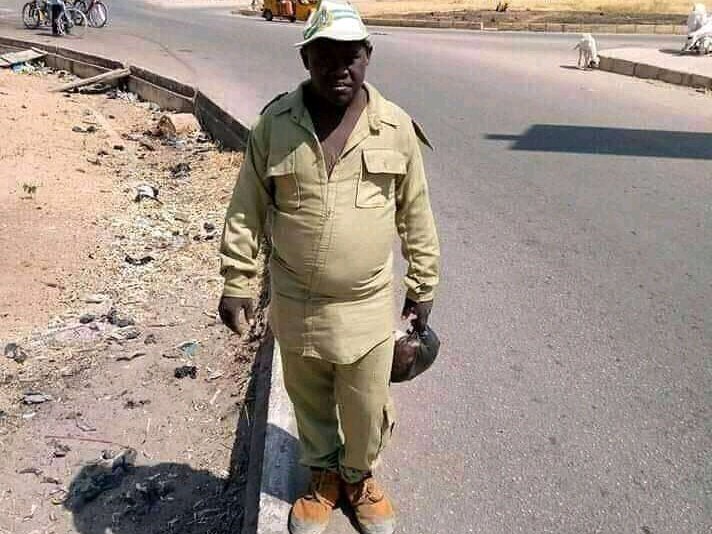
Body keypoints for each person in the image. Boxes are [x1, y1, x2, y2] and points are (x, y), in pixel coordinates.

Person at [218, 1, 440, 533]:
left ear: (368, 56)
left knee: (366, 404)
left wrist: (423, 283)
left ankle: (359, 478)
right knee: (310, 400)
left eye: (350, 56)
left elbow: (415, 212)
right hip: (296, 300)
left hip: (366, 304)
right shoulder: (274, 126)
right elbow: (247, 208)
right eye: (324, 56)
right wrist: (237, 280)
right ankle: (323, 477)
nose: (338, 68)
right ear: (306, 59)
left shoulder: (395, 128)